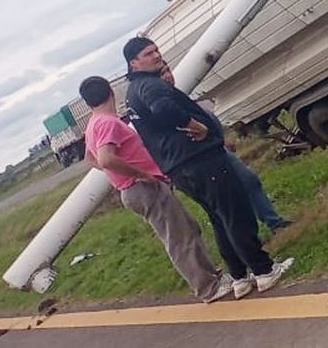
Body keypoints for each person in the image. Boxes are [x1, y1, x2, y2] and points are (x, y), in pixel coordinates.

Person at [123, 37, 294, 299]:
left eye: (156, 50)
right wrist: (196, 125)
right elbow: (164, 108)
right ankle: (264, 270)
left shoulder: (133, 93)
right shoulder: (149, 85)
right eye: (148, 53)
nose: (156, 55)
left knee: (220, 219)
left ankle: (239, 276)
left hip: (180, 168)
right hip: (200, 160)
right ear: (134, 63)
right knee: (236, 214)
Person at [77, 76, 231, 303]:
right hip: (142, 186)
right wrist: (141, 174)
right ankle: (207, 288)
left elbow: (90, 158)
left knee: (187, 228)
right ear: (111, 91)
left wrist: (119, 176)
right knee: (179, 238)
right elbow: (105, 158)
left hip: (135, 187)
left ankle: (209, 275)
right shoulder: (108, 123)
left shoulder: (93, 125)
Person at [159, 62, 291, 233]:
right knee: (231, 197)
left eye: (168, 70)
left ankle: (272, 222)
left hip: (217, 147)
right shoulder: (166, 106)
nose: (167, 76)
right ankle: (250, 239)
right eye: (161, 74)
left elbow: (207, 121)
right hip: (203, 157)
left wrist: (220, 138)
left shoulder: (178, 96)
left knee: (249, 181)